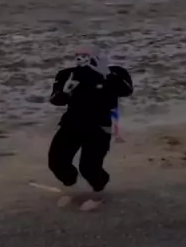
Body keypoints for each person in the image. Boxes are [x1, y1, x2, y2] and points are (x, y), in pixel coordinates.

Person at [48, 45, 133, 211]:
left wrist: (108, 76)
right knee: (57, 161)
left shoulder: (115, 72)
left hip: (99, 126)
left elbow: (126, 90)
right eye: (79, 55)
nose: (82, 59)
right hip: (71, 124)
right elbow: (55, 100)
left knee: (89, 166)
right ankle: (72, 187)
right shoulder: (67, 74)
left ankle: (99, 191)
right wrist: (66, 91)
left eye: (87, 55)